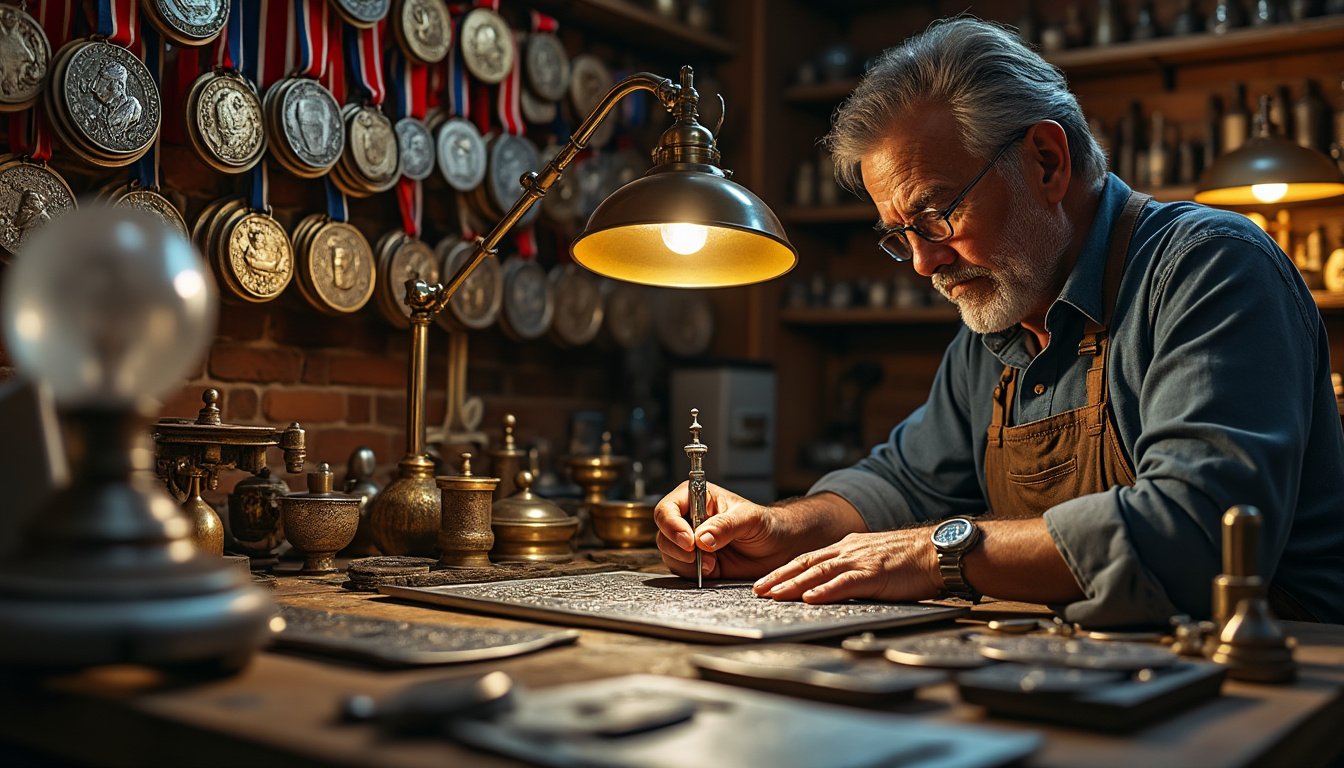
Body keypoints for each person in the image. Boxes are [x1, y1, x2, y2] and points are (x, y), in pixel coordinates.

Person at [655, 17, 1344, 628]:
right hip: (1113, 665)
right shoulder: (1003, 317)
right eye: (900, 234)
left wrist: (939, 551)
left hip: (1277, 676)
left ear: (1045, 160)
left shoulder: (1209, 269)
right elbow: (904, 483)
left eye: (935, 216)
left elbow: (1197, 535)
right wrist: (780, 526)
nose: (923, 265)